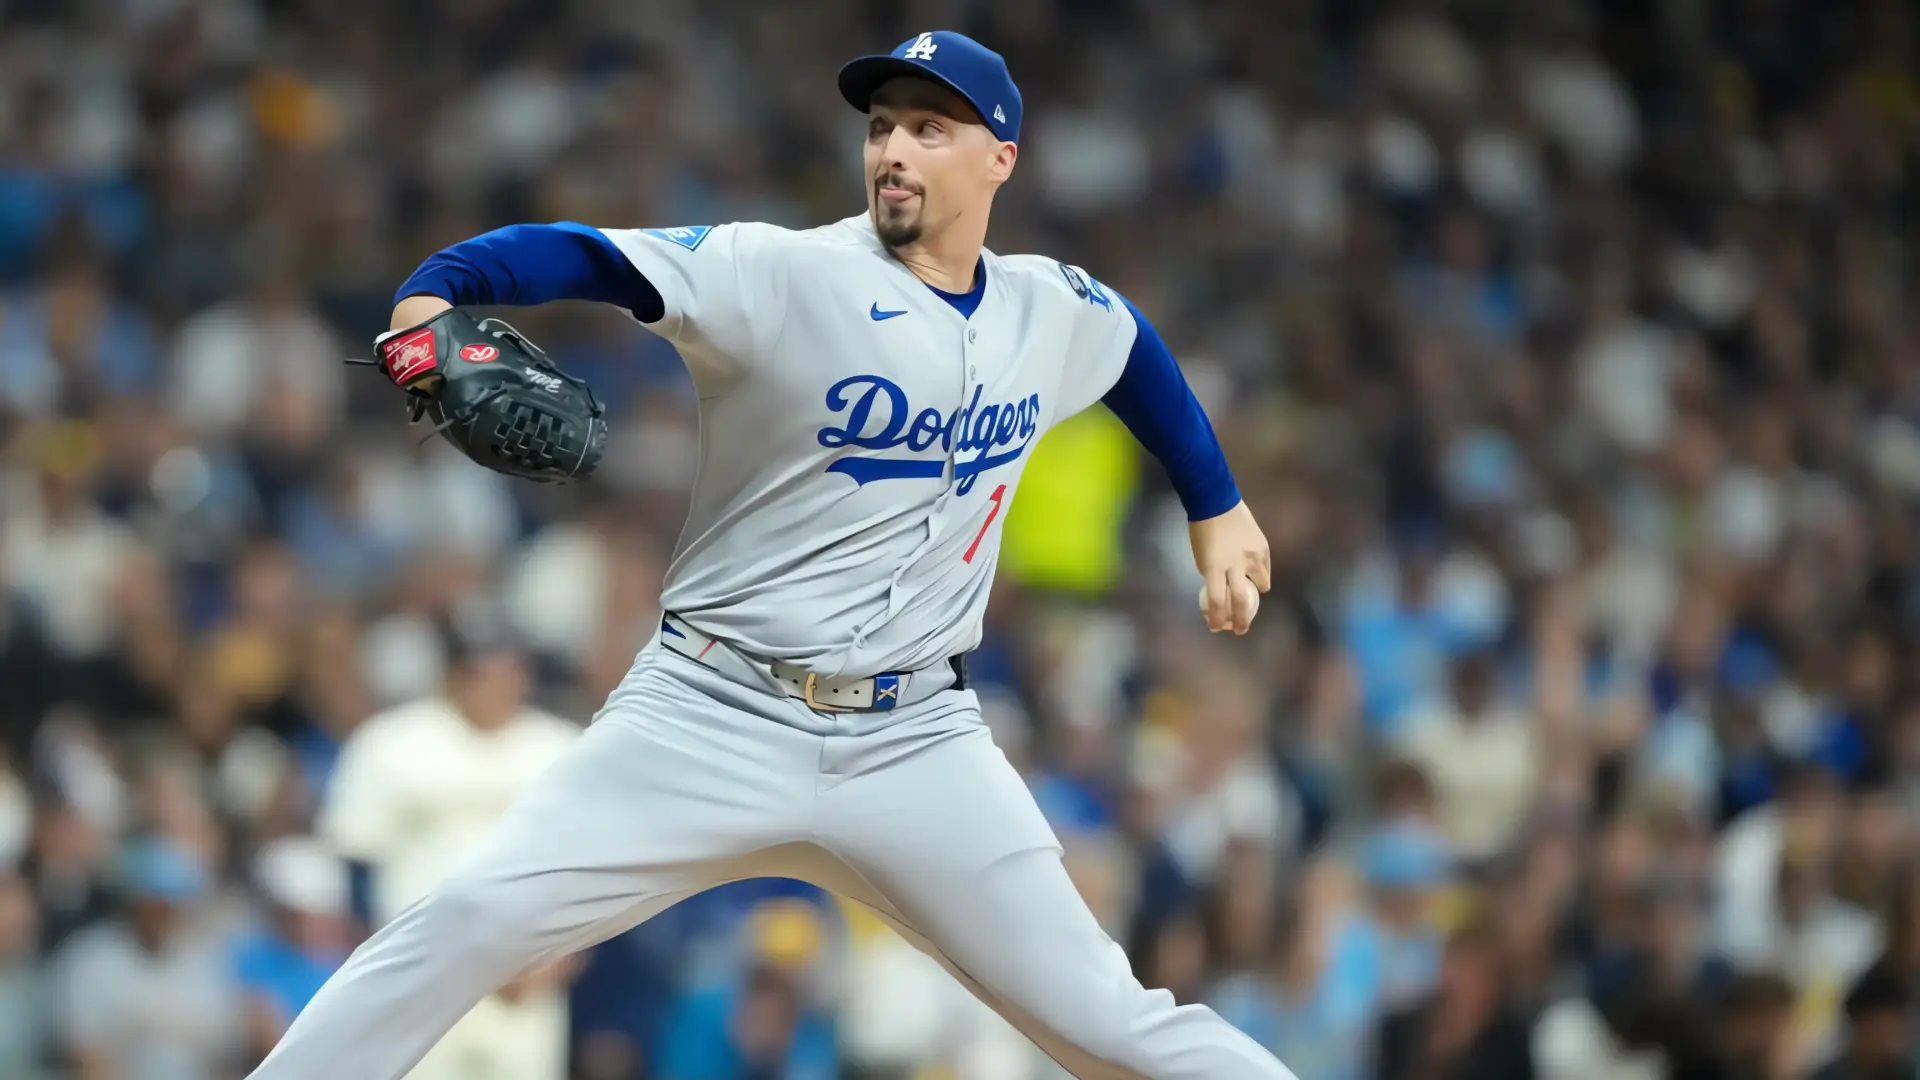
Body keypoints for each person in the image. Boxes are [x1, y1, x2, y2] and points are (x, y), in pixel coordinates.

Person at [248, 29, 1286, 1080]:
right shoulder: (782, 272)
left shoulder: (1044, 307)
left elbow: (1132, 350)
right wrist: (433, 293)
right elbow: (587, 254)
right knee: (464, 922)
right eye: (883, 127)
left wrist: (1217, 501)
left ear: (1000, 159)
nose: (894, 151)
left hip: (916, 742)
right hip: (708, 714)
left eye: (931, 129)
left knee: (1113, 1026)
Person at [317, 619, 582, 1080]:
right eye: (481, 671)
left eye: (508, 669)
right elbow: (354, 868)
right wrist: (382, 973)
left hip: (525, 983)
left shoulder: (561, 748)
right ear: (453, 675)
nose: (497, 683)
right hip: (420, 982)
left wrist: (563, 959)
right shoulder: (392, 743)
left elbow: (597, 871)